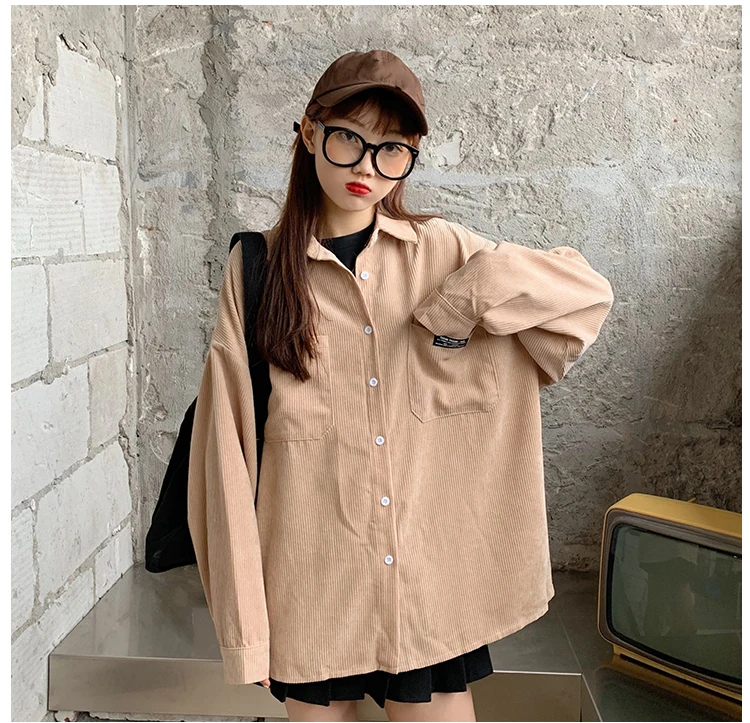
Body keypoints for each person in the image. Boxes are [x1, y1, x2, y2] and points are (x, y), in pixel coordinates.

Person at [187, 49, 614, 722]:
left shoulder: (443, 253)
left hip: (425, 599)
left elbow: (584, 296)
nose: (367, 166)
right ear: (309, 133)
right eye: (349, 138)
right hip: (312, 596)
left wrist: (466, 300)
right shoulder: (256, 271)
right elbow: (224, 456)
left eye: (392, 150)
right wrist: (246, 632)